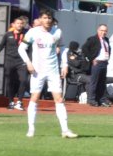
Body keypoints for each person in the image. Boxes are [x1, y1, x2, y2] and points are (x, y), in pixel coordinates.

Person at [16, 9, 77, 138]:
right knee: (34, 98)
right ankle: (31, 129)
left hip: (53, 70)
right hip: (38, 70)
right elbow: (21, 48)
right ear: (40, 19)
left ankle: (65, 130)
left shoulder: (57, 31)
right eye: (45, 18)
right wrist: (28, 63)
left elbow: (64, 47)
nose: (47, 20)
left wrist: (64, 64)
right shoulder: (33, 32)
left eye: (49, 18)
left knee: (59, 99)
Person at [0, 16, 28, 110]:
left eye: (21, 23)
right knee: (10, 82)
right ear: (13, 24)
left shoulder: (26, 35)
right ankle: (11, 102)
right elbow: (1, 45)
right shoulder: (8, 34)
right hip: (9, 60)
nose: (19, 25)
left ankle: (19, 102)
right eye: (17, 23)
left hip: (21, 61)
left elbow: (31, 47)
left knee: (24, 80)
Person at [82, 24, 113, 107]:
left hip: (104, 63)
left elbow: (107, 50)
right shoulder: (93, 39)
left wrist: (107, 59)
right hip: (97, 64)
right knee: (94, 82)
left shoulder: (106, 40)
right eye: (102, 30)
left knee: (102, 82)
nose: (103, 32)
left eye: (105, 31)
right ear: (98, 30)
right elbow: (84, 48)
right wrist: (91, 59)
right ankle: (91, 100)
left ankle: (102, 99)